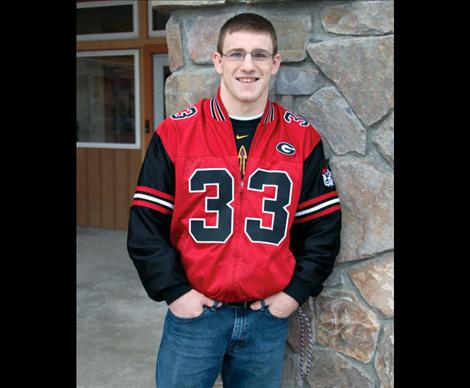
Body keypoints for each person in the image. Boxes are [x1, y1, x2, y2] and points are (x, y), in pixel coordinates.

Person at [127, 12, 341, 388]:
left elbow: (323, 228)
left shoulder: (302, 139)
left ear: (275, 64)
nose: (247, 66)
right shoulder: (175, 133)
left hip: (265, 321)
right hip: (195, 318)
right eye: (236, 54)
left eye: (259, 55)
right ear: (217, 61)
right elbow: (145, 225)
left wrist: (293, 295)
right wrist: (175, 293)